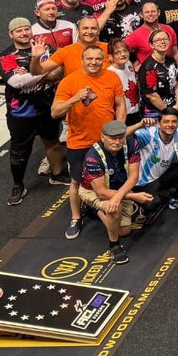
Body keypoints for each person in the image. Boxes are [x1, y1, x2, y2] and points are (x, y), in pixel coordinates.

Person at [52, 45, 127, 241]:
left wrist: (119, 129)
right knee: (77, 181)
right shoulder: (69, 81)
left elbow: (120, 104)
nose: (94, 62)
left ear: (104, 60)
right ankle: (76, 218)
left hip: (106, 141)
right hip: (80, 142)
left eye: (98, 59)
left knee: (108, 177)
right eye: (89, 59)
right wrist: (75, 99)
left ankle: (99, 207)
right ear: (82, 60)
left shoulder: (112, 77)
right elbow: (55, 112)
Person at [0, 17, 66, 206]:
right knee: (19, 151)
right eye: (19, 30)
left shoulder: (46, 48)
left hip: (47, 107)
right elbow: (17, 82)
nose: (24, 33)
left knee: (52, 141)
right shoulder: (6, 57)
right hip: (21, 112)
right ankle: (18, 185)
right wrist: (44, 73)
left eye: (26, 29)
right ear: (11, 34)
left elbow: (60, 71)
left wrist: (32, 74)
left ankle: (57, 174)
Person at [78, 120, 152, 264]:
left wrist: (119, 196)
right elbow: (101, 192)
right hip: (92, 191)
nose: (117, 142)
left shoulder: (132, 144)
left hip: (119, 188)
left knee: (124, 231)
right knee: (115, 208)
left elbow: (134, 177)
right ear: (103, 137)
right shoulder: (92, 157)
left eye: (120, 137)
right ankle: (114, 246)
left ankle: (96, 211)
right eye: (112, 138)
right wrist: (132, 196)